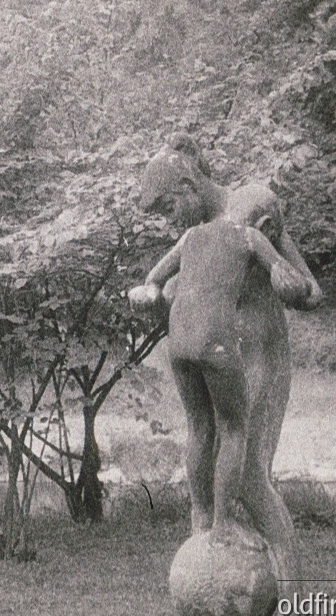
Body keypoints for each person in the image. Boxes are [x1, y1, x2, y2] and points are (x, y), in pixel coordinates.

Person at [135, 134, 321, 616]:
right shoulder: (197, 234)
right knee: (205, 456)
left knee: (250, 477)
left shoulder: (252, 206)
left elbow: (309, 289)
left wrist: (290, 284)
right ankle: (206, 602)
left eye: (171, 205)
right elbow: (182, 286)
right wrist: (165, 292)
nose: (170, 219)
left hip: (258, 356)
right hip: (215, 354)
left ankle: (297, 609)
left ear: (191, 184)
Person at [130, 203, 312, 542]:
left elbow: (152, 281)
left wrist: (152, 293)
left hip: (179, 340)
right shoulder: (250, 237)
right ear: (261, 221)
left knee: (199, 426)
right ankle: (223, 524)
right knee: (233, 427)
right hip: (214, 340)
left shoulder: (191, 236)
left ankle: (200, 515)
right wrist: (297, 285)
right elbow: (288, 281)